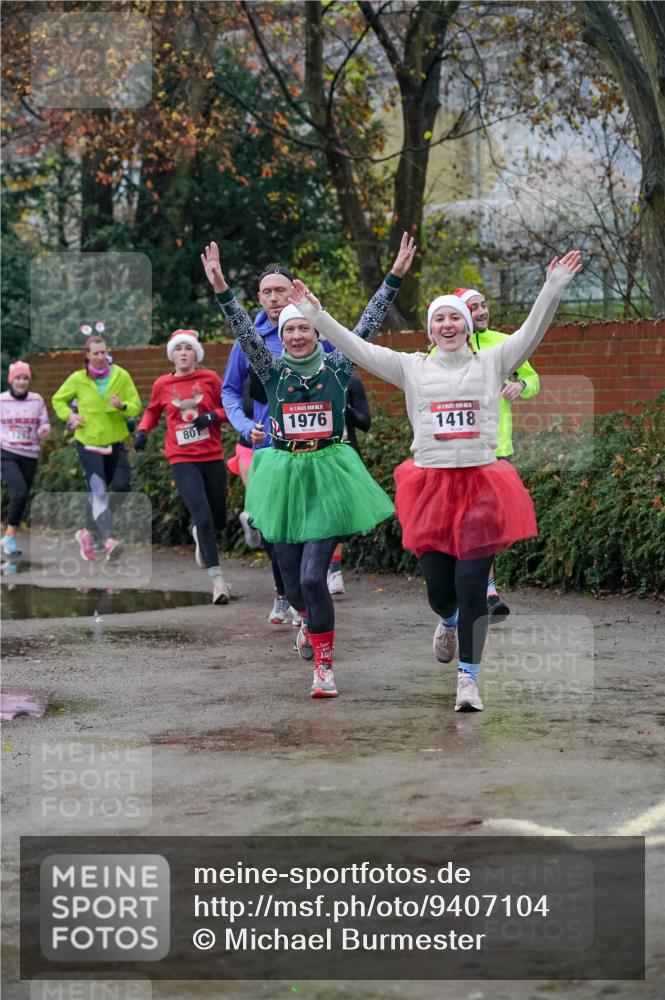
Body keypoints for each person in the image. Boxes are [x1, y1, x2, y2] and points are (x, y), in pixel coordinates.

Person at [289, 250, 582, 711]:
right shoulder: (412, 368)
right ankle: (446, 620)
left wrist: (553, 287)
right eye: (439, 319)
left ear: (467, 326)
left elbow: (530, 334)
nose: (447, 325)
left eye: (455, 318)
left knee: (472, 587)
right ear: (430, 330)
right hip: (430, 488)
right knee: (441, 592)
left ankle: (468, 679)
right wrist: (315, 316)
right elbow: (357, 348)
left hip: (482, 486)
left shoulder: (492, 361)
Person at [202, 234, 416, 697]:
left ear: (317, 332)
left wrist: (394, 276)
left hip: (328, 475)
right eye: (290, 331)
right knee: (295, 588)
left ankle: (324, 667)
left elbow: (368, 323)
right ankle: (303, 619)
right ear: (280, 339)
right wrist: (221, 287)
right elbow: (242, 329)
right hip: (281, 477)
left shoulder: (339, 368)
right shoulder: (272, 372)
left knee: (314, 577)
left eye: (305, 328)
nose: (297, 335)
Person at [451, 287, 541, 623]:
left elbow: (532, 379)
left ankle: (486, 589)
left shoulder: (505, 343)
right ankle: (478, 590)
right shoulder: (448, 348)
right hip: (459, 451)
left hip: (499, 450)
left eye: (484, 305)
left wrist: (520, 385)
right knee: (466, 524)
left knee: (489, 523)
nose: (482, 311)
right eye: (474, 307)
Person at [133, 329, 231, 605]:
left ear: (196, 353)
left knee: (218, 519)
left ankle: (201, 535)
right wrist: (143, 430)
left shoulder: (209, 379)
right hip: (182, 458)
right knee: (203, 518)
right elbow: (153, 410)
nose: (183, 353)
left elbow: (230, 409)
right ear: (172, 354)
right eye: (179, 349)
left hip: (211, 455)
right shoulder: (162, 384)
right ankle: (218, 582)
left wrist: (212, 416)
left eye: (188, 349)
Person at [52, 334, 141, 561]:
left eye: (103, 352)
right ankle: (108, 540)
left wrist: (122, 406)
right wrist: (71, 416)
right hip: (88, 443)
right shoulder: (78, 378)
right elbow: (57, 400)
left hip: (115, 442)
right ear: (87, 355)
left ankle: (87, 532)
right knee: (98, 491)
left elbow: (136, 406)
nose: (101, 357)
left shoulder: (121, 375)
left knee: (121, 487)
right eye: (96, 353)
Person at [326, 374, 373, 595]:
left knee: (338, 516)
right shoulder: (300, 379)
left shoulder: (351, 382)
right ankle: (322, 566)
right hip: (313, 458)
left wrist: (345, 408)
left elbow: (365, 422)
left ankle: (334, 570)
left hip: (345, 458)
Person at [1, 361, 51, 556]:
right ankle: (11, 537)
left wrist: (44, 430)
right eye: (18, 378)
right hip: (6, 452)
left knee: (22, 497)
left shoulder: (36, 400)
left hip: (29, 454)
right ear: (11, 380)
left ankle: (8, 535)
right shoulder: (2, 400)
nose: (21, 382)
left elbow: (43, 423)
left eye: (25, 378)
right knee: (19, 491)